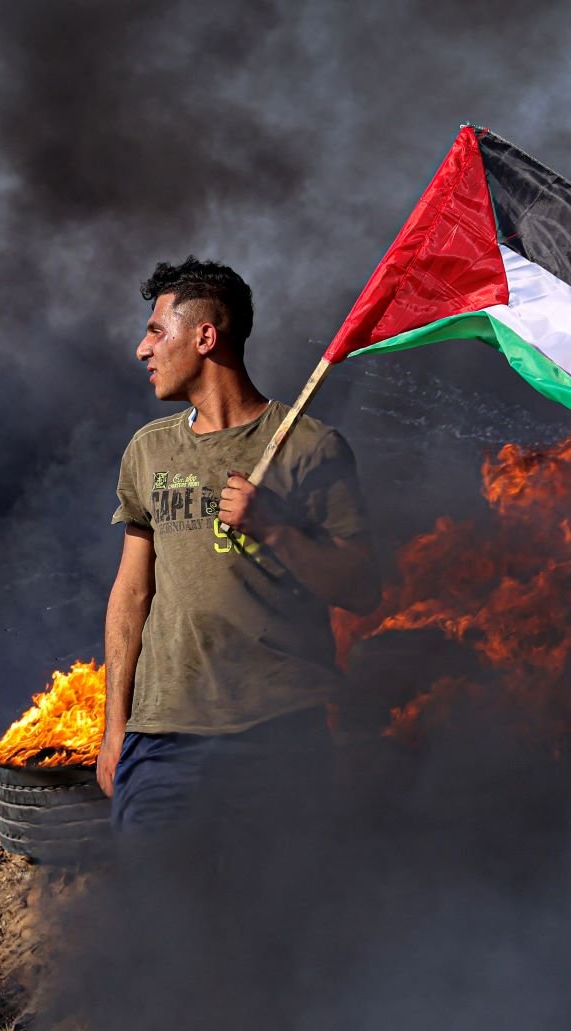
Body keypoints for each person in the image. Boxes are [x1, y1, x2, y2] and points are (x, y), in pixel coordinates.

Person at [98, 257, 379, 833]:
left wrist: (277, 528)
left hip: (281, 737)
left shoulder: (308, 446)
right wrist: (114, 730)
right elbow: (131, 593)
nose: (141, 349)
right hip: (162, 742)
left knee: (274, 921)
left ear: (205, 336)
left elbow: (362, 588)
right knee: (159, 915)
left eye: (156, 330)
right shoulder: (148, 451)